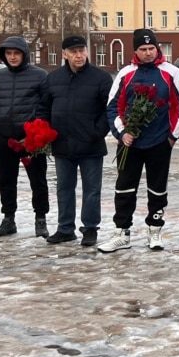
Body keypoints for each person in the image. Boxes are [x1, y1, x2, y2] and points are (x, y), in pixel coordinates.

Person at [98, 28, 179, 253]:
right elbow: (113, 107)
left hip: (160, 142)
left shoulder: (171, 72)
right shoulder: (125, 73)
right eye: (143, 49)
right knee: (124, 188)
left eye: (151, 48)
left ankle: (155, 231)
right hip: (130, 143)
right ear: (135, 50)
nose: (148, 53)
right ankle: (122, 233)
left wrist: (172, 136)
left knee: (157, 189)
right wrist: (122, 133)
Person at [42, 35, 113, 247]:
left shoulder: (101, 78)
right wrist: (45, 131)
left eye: (82, 50)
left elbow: (108, 109)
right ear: (64, 54)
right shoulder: (53, 78)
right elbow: (44, 107)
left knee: (92, 189)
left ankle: (90, 228)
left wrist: (97, 132)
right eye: (73, 51)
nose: (79, 55)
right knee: (64, 187)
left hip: (91, 144)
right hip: (62, 143)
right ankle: (65, 228)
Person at [0, 36, 50, 238]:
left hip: (31, 139)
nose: (12, 57)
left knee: (37, 181)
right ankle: (8, 219)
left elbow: (45, 107)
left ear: (24, 54)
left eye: (16, 53)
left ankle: (41, 219)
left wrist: (36, 134)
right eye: (8, 53)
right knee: (6, 180)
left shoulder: (40, 76)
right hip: (2, 137)